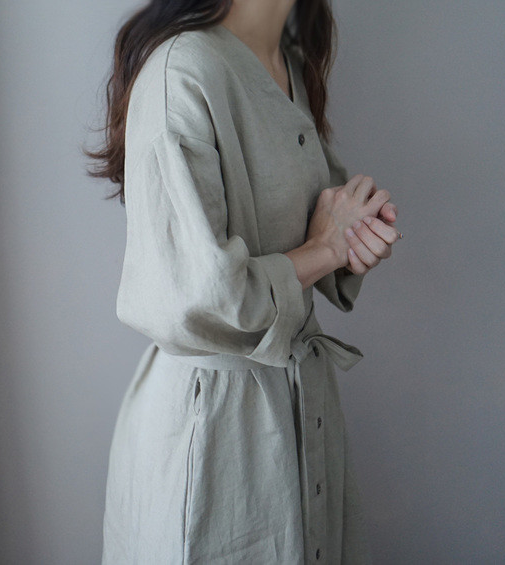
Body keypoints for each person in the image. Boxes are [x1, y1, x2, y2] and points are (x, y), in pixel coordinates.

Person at [85, 0, 402, 562]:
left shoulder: (291, 61)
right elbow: (196, 294)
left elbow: (319, 216)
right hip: (217, 435)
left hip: (303, 410)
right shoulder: (182, 71)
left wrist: (353, 235)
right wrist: (325, 248)